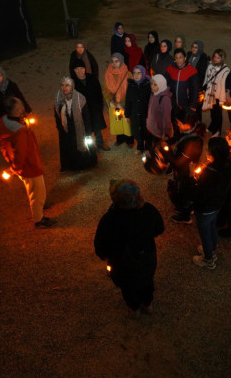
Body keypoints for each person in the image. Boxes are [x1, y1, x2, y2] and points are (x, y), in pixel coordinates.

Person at [94, 180, 165, 319]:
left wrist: (105, 256)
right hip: (147, 257)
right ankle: (148, 303)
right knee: (146, 280)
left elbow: (100, 246)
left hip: (121, 263)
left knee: (127, 287)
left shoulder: (109, 220)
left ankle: (134, 308)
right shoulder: (149, 210)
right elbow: (159, 228)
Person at [0, 97, 56, 229]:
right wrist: (16, 167)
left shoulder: (6, 124)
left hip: (25, 165)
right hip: (29, 166)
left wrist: (12, 164)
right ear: (16, 110)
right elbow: (20, 153)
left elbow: (4, 146)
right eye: (20, 106)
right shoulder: (19, 132)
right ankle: (39, 219)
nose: (23, 108)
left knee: (35, 190)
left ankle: (39, 207)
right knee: (37, 191)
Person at [192, 137, 231, 270]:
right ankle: (212, 249)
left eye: (207, 148)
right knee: (212, 227)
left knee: (204, 232)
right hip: (217, 205)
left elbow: (201, 193)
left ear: (213, 153)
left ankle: (208, 259)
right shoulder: (228, 165)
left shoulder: (210, 172)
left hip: (205, 208)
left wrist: (193, 177)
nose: (205, 150)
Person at [54, 76, 97, 172]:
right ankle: (68, 165)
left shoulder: (80, 98)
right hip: (65, 127)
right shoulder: (58, 98)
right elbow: (56, 115)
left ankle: (80, 165)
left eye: (67, 85)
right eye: (62, 85)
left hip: (77, 126)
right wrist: (59, 127)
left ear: (72, 86)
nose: (64, 88)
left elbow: (86, 117)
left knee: (79, 145)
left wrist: (88, 131)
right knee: (66, 146)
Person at [168, 120, 206, 224]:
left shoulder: (192, 142)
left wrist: (168, 154)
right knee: (187, 189)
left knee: (182, 191)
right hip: (188, 169)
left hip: (185, 171)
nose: (179, 125)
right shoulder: (192, 137)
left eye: (181, 123)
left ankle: (185, 216)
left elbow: (179, 163)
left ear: (191, 125)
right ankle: (190, 207)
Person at [71, 60, 109, 151]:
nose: (79, 70)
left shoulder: (92, 78)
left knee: (97, 127)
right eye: (77, 69)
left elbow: (99, 92)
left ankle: (100, 143)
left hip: (94, 106)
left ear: (85, 69)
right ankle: (90, 148)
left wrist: (100, 105)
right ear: (74, 70)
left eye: (81, 68)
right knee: (86, 129)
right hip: (82, 110)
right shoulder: (73, 82)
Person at [165, 48, 199, 138]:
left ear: (185, 57)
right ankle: (176, 136)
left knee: (185, 123)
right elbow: (166, 84)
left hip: (185, 103)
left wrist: (193, 105)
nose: (178, 60)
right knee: (174, 121)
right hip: (173, 102)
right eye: (176, 58)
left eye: (180, 57)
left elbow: (195, 90)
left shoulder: (191, 71)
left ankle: (186, 138)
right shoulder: (170, 68)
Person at [104, 53, 134, 147]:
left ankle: (129, 140)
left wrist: (124, 102)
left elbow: (131, 89)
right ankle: (120, 139)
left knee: (127, 123)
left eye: (117, 61)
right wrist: (110, 101)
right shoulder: (108, 73)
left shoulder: (127, 73)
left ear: (121, 61)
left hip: (125, 103)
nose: (114, 63)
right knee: (118, 121)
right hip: (114, 104)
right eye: (112, 61)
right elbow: (105, 90)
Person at [201, 49, 230, 137]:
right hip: (210, 93)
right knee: (212, 112)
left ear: (222, 58)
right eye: (215, 57)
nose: (216, 59)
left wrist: (222, 100)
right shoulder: (210, 66)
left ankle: (217, 131)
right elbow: (206, 79)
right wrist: (204, 90)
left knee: (218, 114)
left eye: (218, 58)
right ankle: (212, 127)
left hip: (217, 96)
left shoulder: (225, 70)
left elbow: (223, 86)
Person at [125, 65, 152, 154]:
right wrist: (127, 114)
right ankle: (140, 146)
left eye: (139, 73)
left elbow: (151, 100)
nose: (136, 75)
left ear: (143, 73)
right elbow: (128, 100)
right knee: (137, 130)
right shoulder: (131, 85)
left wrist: (151, 114)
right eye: (134, 73)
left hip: (145, 113)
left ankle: (148, 146)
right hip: (134, 113)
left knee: (146, 130)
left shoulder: (147, 85)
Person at [146, 74, 172, 143]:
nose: (152, 86)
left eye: (155, 85)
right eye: (151, 84)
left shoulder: (165, 99)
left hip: (159, 131)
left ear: (161, 85)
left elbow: (166, 118)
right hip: (151, 127)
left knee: (156, 147)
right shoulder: (153, 94)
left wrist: (166, 133)